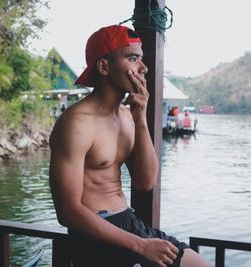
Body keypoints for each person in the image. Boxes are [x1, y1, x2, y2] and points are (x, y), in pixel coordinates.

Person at [49, 25, 210, 267]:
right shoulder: (76, 124)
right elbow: (68, 211)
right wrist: (141, 245)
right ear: (104, 67)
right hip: (95, 237)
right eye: (133, 58)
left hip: (129, 222)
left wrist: (140, 117)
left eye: (141, 59)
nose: (143, 68)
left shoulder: (126, 116)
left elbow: (146, 182)